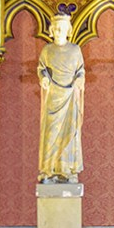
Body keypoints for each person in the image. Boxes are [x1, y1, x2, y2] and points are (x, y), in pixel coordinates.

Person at [37, 12, 86, 182]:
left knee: (70, 135)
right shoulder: (47, 50)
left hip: (70, 97)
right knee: (51, 135)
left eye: (62, 29)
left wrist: (79, 79)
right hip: (53, 98)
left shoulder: (75, 50)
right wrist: (43, 78)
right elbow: (42, 68)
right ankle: (49, 170)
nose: (58, 32)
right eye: (56, 29)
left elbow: (80, 70)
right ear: (51, 30)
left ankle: (67, 171)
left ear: (68, 31)